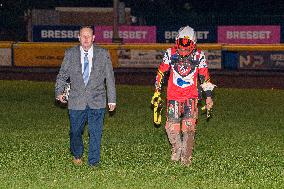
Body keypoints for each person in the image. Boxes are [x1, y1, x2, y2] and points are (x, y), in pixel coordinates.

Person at [151, 26, 216, 166]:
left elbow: (205, 77)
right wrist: (157, 91)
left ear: (193, 44)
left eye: (187, 48)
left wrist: (209, 96)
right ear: (176, 42)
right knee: (171, 127)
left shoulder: (199, 55)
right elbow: (161, 72)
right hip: (173, 96)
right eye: (181, 47)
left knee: (189, 127)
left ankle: (186, 158)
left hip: (191, 96)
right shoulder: (170, 53)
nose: (184, 50)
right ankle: (176, 149)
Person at [55, 26, 116, 167]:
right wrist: (59, 92)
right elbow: (63, 75)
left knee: (95, 132)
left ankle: (93, 162)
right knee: (75, 131)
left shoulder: (103, 53)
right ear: (79, 37)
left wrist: (112, 99)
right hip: (76, 100)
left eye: (89, 36)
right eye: (83, 36)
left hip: (98, 100)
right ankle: (77, 153)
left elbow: (110, 78)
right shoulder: (70, 53)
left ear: (94, 38)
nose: (86, 39)